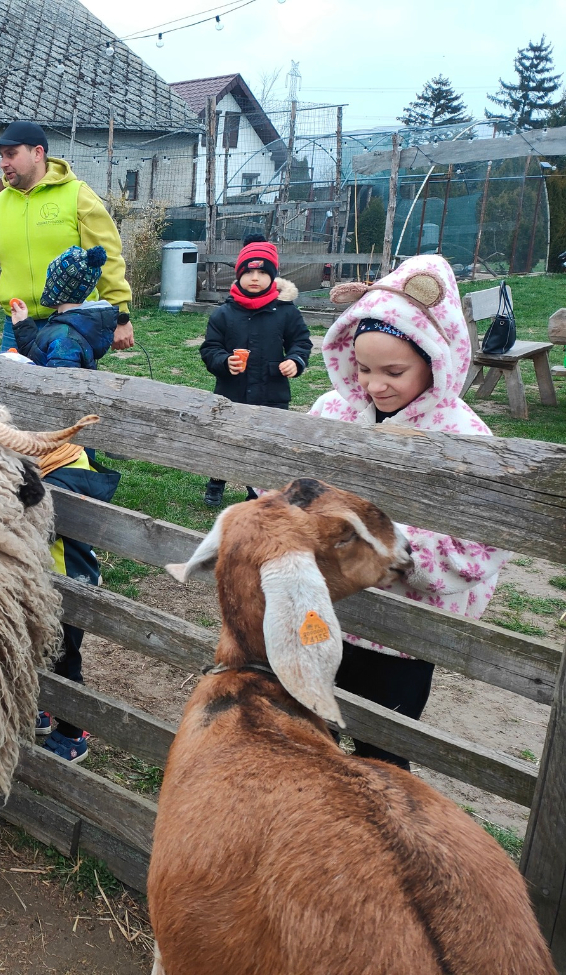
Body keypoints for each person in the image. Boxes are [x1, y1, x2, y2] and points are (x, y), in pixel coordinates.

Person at [310, 254, 510, 770]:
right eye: (364, 368)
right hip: (326, 613)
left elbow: (476, 546)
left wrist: (381, 546)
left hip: (400, 635)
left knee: (383, 755)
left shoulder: (464, 439)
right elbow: (293, 474)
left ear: (435, 359)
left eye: (394, 371)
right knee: (310, 741)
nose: (375, 384)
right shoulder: (333, 413)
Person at [1, 247, 123, 762]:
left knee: (64, 641)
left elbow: (60, 397)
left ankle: (72, 731)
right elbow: (42, 353)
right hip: (42, 558)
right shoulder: (64, 330)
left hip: (66, 577)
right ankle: (45, 706)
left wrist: (35, 395)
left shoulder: (68, 344)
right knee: (39, 639)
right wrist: (26, 330)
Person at [0, 120, 134, 353]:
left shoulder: (78, 196)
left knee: (68, 389)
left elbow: (107, 257)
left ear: (37, 153)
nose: (3, 163)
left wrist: (120, 315)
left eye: (11, 154)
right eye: (2, 156)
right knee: (12, 389)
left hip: (73, 324)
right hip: (16, 324)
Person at [199, 235, 312, 507]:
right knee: (225, 438)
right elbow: (210, 348)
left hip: (271, 392)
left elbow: (301, 342)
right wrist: (224, 361)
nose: (255, 277)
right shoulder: (223, 314)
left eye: (262, 272)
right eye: (248, 271)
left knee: (265, 443)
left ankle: (256, 489)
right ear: (239, 275)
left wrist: (295, 360)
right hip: (231, 391)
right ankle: (217, 481)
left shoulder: (286, 312)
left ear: (272, 277)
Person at [8, 245, 119, 369]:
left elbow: (61, 385)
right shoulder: (67, 321)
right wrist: (22, 324)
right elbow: (37, 354)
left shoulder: (65, 341)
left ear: (58, 287)